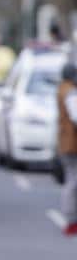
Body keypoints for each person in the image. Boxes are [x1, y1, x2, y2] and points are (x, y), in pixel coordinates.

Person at [56, 62, 77, 235]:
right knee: (73, 182)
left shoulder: (62, 88)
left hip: (66, 144)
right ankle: (71, 220)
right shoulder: (69, 92)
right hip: (72, 146)